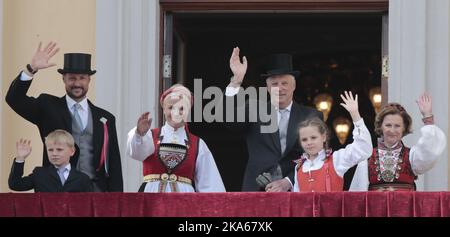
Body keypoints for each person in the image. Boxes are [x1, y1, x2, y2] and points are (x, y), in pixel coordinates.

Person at [5, 42, 123, 192]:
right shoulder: (47, 107)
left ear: (89, 80)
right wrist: (31, 69)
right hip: (56, 192)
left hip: (97, 194)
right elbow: (14, 99)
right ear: (64, 79)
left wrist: (117, 202)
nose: (77, 83)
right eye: (72, 78)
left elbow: (114, 164)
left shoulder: (105, 118)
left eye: (82, 78)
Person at [225, 47, 323, 191]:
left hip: (296, 189)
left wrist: (288, 181)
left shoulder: (311, 115)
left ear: (294, 85)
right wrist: (236, 81)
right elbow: (229, 121)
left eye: (284, 83)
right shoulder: (254, 109)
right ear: (267, 87)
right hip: (256, 188)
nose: (280, 88)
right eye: (275, 84)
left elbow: (318, 155)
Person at [127, 84, 226, 192]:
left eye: (182, 108)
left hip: (185, 201)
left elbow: (210, 184)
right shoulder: (149, 136)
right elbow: (136, 153)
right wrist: (139, 134)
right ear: (164, 109)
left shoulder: (197, 143)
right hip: (151, 199)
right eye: (171, 107)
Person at [350, 93, 447, 191]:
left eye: (397, 126)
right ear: (381, 127)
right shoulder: (367, 157)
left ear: (404, 128)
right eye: (388, 125)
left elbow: (430, 150)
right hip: (376, 206)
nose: (392, 130)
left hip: (405, 206)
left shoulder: (412, 156)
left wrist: (427, 116)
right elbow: (358, 193)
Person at [292, 91, 372, 192]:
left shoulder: (337, 159)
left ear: (324, 137)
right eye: (304, 139)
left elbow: (363, 149)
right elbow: (296, 200)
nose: (309, 142)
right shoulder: (299, 168)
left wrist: (355, 115)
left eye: (313, 137)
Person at [8, 130, 93, 192]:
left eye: (59, 149)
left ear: (72, 151)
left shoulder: (83, 178)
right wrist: (20, 158)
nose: (54, 153)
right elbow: (15, 184)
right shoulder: (40, 174)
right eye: (50, 150)